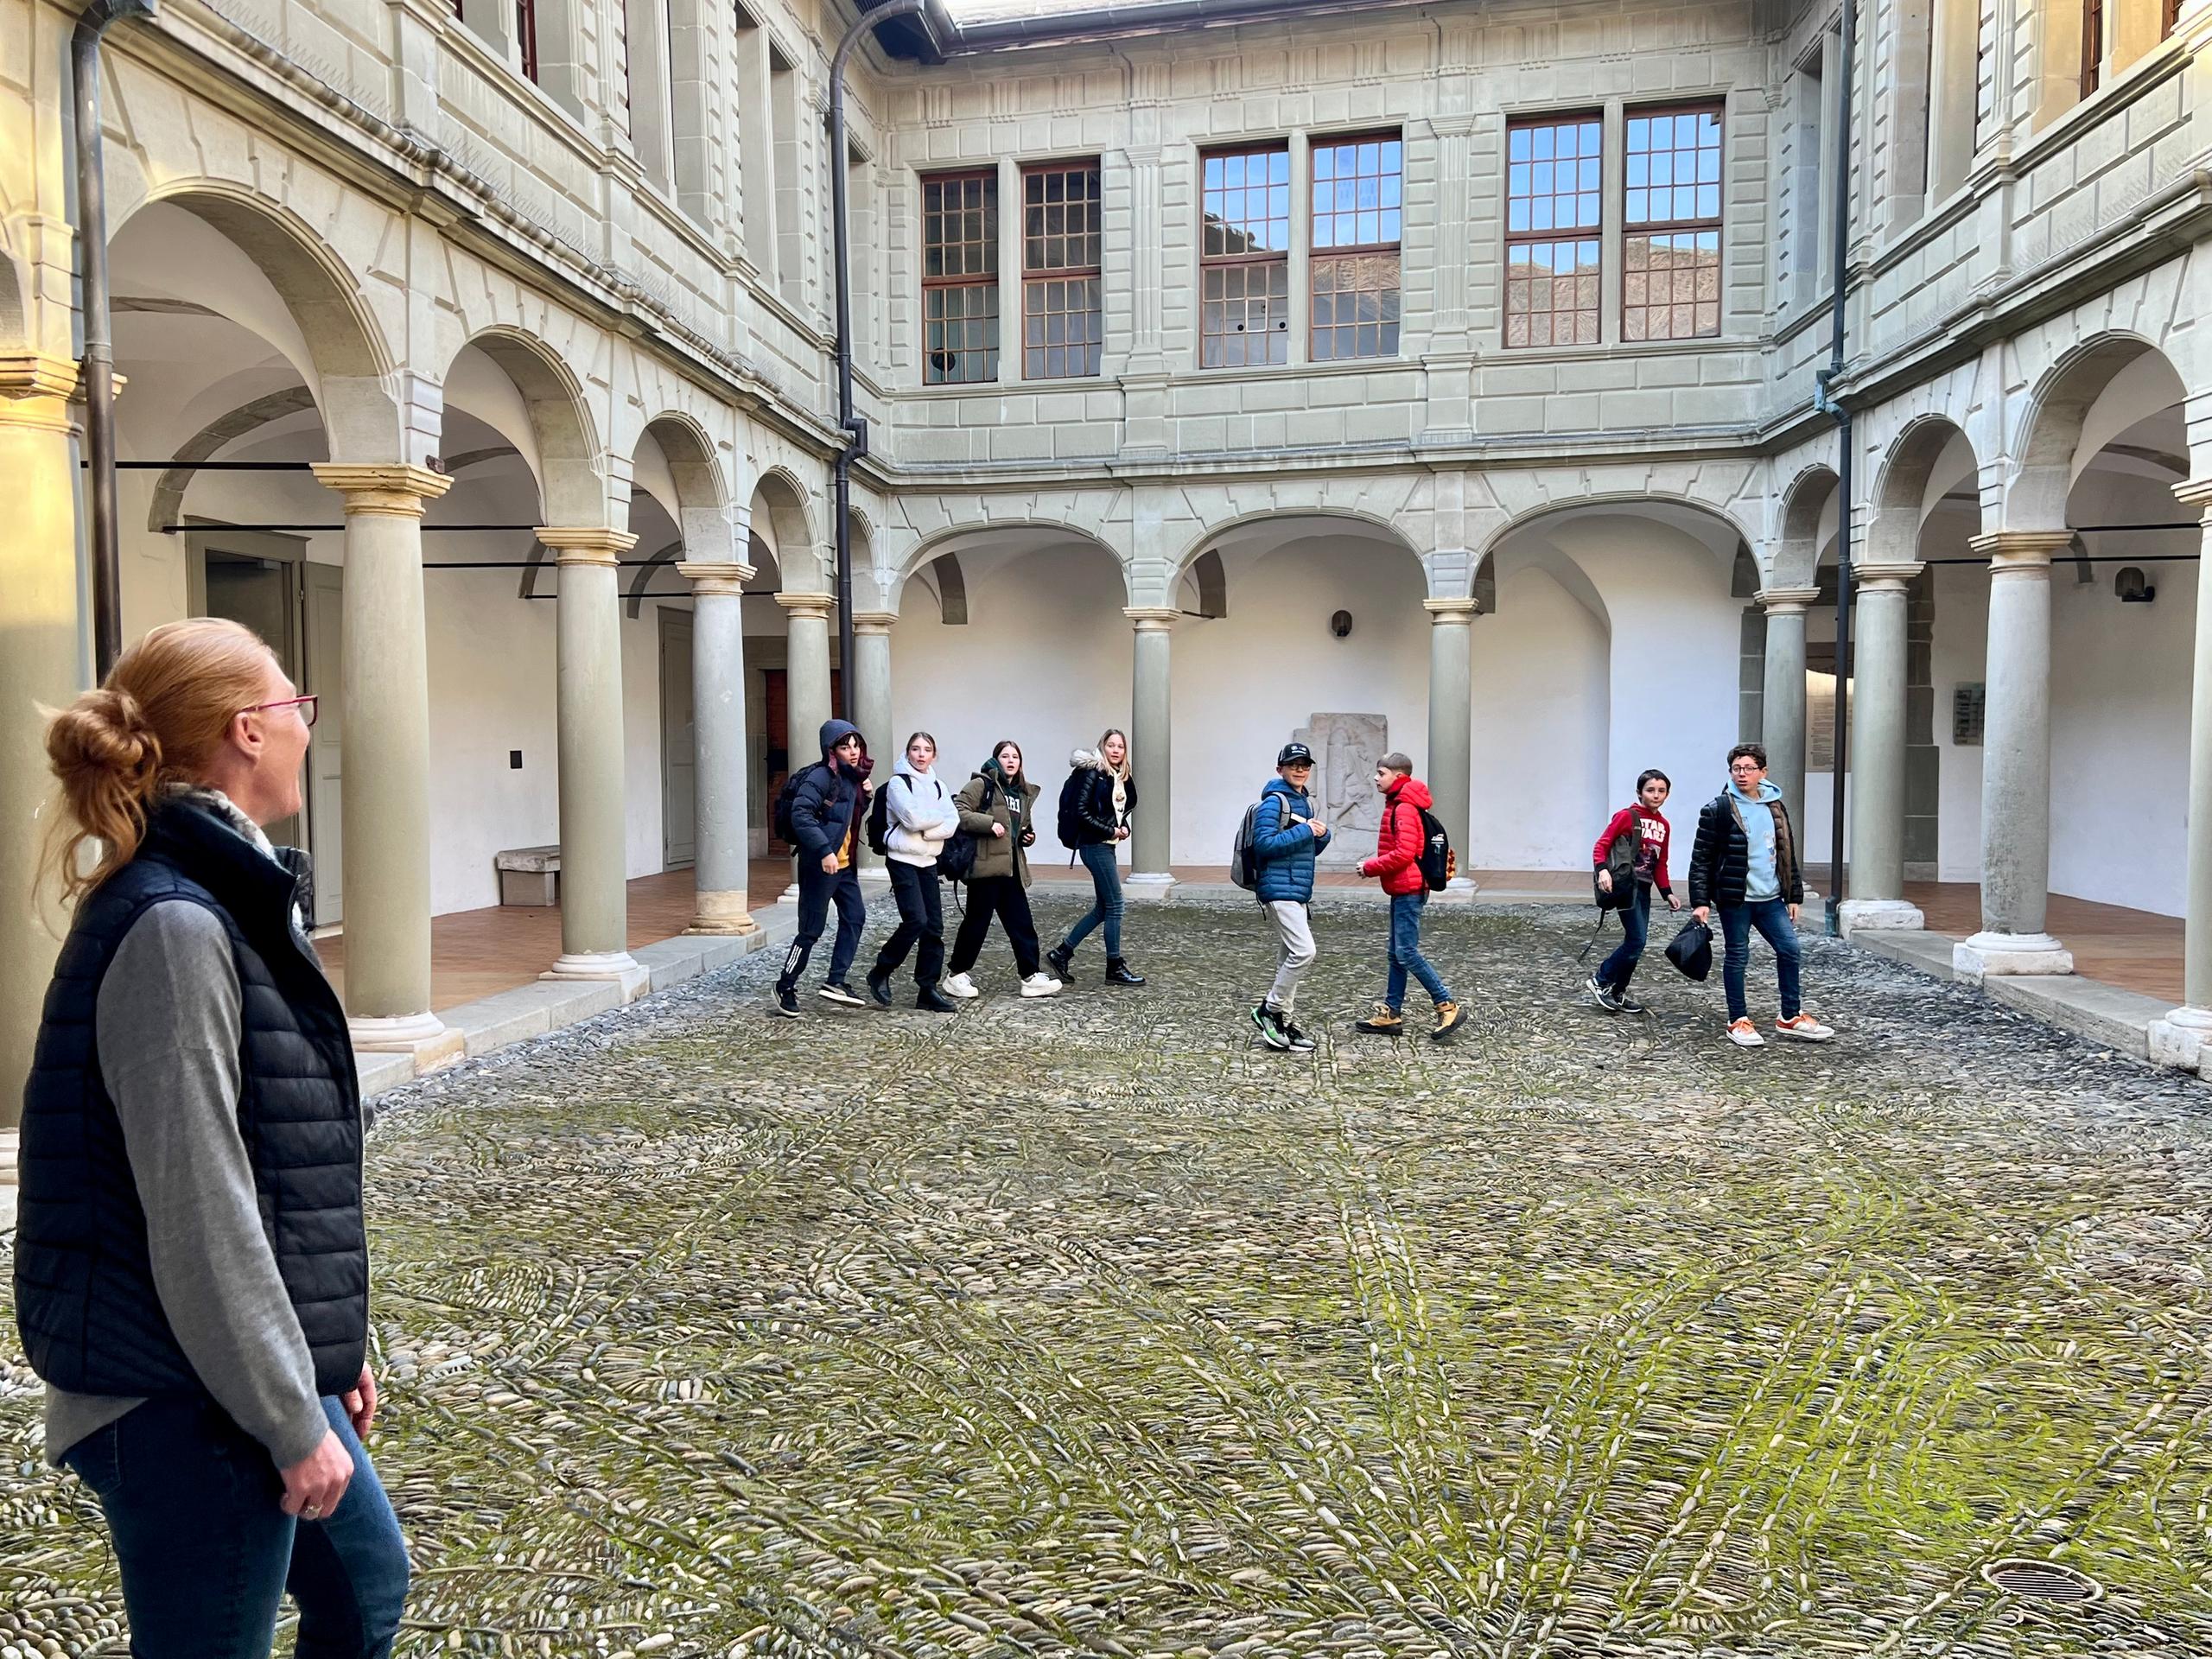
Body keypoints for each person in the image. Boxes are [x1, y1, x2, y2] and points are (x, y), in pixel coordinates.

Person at [16, 617, 406, 1656]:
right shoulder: (177, 927)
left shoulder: (226, 898)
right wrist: (288, 1414)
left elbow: (266, 1163)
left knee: (366, 1591)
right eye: (295, 706)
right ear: (248, 729)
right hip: (173, 1393)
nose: (307, 728)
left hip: (234, 1367)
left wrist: (319, 1351)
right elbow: (198, 1205)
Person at [1687, 742, 1836, 1047]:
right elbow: (1701, 858)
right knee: (1738, 955)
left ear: (1763, 772)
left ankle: (1790, 1015)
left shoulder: (1775, 806)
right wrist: (1700, 902)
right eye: (1736, 768)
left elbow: (1786, 852)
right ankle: (1738, 1020)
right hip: (1736, 899)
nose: (1742, 774)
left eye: (1748, 768)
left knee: (1789, 949)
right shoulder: (1718, 809)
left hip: (1770, 898)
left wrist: (1793, 895)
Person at [1351, 753, 1465, 1040]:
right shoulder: (1400, 803)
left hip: (1409, 889)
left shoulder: (1403, 808)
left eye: (1381, 773)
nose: (1376, 778)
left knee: (1406, 953)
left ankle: (1447, 1005)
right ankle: (1391, 1014)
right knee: (1396, 954)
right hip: (1403, 887)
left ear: (1399, 777)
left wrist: (1370, 867)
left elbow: (1404, 853)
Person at [943, 741, 1062, 999]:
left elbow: (1020, 828)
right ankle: (955, 975)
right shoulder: (982, 784)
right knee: (976, 924)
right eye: (1005, 756)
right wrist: (988, 823)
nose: (1010, 761)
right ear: (996, 759)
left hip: (1011, 869)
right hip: (985, 869)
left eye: (1015, 757)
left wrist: (1027, 836)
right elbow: (957, 811)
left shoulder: (1021, 793)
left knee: (1022, 924)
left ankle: (1030, 976)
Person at [773, 718, 874, 1017]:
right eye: (845, 747)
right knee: (811, 930)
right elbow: (801, 816)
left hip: (844, 867)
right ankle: (785, 985)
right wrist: (825, 851)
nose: (853, 752)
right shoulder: (820, 777)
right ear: (831, 750)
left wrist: (866, 796)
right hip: (821, 866)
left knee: (855, 917)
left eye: (856, 746)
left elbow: (845, 818)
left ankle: (836, 981)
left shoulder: (852, 778)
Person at [868, 731, 959, 1013]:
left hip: (928, 861)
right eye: (916, 749)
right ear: (908, 752)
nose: (921, 754)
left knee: (934, 927)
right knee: (916, 920)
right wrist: (936, 819)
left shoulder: (939, 786)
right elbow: (911, 819)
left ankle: (927, 988)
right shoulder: (898, 783)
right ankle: (881, 969)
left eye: (926, 749)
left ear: (934, 755)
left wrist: (927, 829)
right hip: (902, 859)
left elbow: (953, 822)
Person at [1248, 741, 1330, 1052]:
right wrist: (1307, 831)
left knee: (1288, 958)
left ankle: (1284, 1022)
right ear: (1280, 769)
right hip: (1279, 889)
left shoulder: (1303, 802)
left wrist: (1321, 836)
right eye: (1293, 764)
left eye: (1304, 765)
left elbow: (1302, 849)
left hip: (1296, 889)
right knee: (1304, 952)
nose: (1299, 770)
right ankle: (1269, 1010)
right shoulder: (1274, 802)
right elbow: (1264, 844)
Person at [1046, 728, 1144, 988]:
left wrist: (1123, 828)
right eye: (1111, 745)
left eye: (1120, 746)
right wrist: (1110, 830)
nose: (1116, 750)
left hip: (1106, 845)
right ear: (1102, 747)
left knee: (1104, 907)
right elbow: (1081, 812)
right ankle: (1114, 966)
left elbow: (1117, 812)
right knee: (1116, 905)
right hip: (1094, 844)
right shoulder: (1092, 772)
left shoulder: (1119, 777)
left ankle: (1062, 953)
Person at [1585, 767, 1683, 1014]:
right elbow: (1601, 845)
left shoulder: (1664, 825)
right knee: (1637, 940)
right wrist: (1603, 871)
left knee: (1635, 942)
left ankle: (1618, 992)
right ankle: (1601, 980)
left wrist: (1667, 893)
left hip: (1644, 890)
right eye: (1650, 790)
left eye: (1661, 791)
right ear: (1640, 793)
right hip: (1627, 887)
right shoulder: (1627, 816)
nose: (1656, 795)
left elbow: (1661, 863)